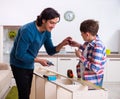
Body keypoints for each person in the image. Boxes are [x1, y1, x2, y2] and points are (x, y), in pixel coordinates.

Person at [10, 7, 72, 99]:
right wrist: (39, 60)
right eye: (51, 23)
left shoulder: (47, 32)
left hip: (29, 62)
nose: (53, 26)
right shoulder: (27, 30)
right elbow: (19, 55)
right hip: (18, 64)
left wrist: (62, 43)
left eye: (55, 23)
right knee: (24, 93)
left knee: (27, 92)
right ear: (43, 20)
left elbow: (50, 50)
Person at [69, 19, 106, 87]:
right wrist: (78, 45)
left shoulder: (98, 46)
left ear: (87, 34)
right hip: (85, 78)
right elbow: (87, 51)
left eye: (81, 33)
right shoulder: (88, 42)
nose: (81, 34)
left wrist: (80, 57)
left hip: (93, 82)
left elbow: (95, 68)